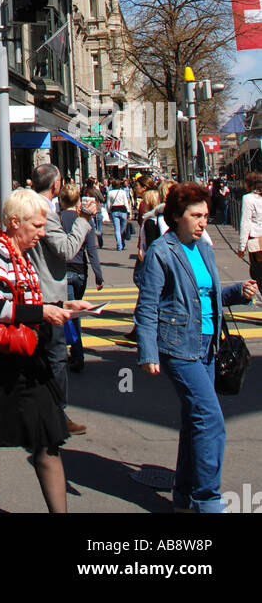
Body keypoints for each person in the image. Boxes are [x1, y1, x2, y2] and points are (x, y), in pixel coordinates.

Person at [0, 188, 94, 514]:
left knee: (47, 441)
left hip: (27, 358)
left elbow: (26, 302)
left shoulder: (21, 252)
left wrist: (63, 306)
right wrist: (43, 312)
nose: (42, 233)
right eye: (37, 226)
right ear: (14, 223)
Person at [136, 182, 257, 513]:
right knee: (211, 419)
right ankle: (208, 499)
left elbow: (206, 293)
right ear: (176, 216)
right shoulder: (163, 251)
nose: (204, 221)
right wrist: (147, 353)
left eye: (206, 215)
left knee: (194, 421)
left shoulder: (202, 247)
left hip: (207, 345)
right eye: (196, 215)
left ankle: (184, 496)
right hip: (178, 348)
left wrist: (237, 291)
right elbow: (146, 307)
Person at [27, 164, 96, 435]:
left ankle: (39, 409)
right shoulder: (45, 211)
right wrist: (85, 220)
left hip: (31, 290)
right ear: (55, 186)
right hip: (47, 293)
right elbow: (66, 250)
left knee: (38, 354)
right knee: (55, 356)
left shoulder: (24, 205)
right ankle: (56, 413)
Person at [59, 182, 104, 372]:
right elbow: (92, 250)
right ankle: (76, 353)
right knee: (75, 311)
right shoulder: (84, 220)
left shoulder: (56, 219)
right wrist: (98, 275)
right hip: (80, 271)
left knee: (68, 313)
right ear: (78, 201)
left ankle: (75, 354)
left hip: (63, 270)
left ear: (61, 201)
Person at [238, 172, 262, 287]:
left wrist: (242, 247)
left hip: (257, 242)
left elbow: (245, 223)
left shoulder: (248, 198)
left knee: (258, 274)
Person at [106, 176, 131, 250]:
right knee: (122, 229)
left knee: (117, 229)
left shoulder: (110, 193)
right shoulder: (122, 192)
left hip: (114, 210)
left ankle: (119, 245)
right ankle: (122, 242)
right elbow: (126, 202)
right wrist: (128, 211)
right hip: (123, 210)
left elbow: (108, 204)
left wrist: (108, 212)